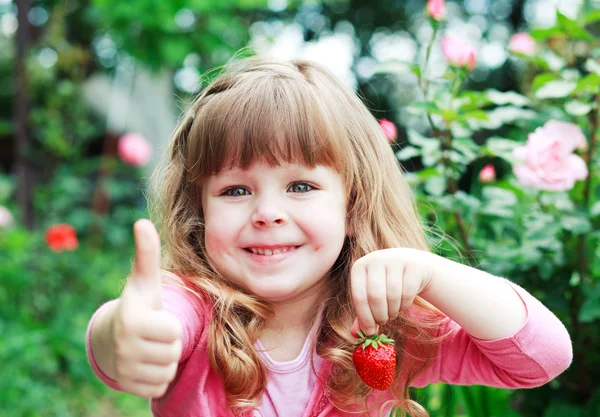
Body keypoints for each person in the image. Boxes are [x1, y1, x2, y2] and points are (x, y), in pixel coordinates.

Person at [86, 57, 573, 417]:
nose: (268, 213)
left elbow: (542, 359)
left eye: (301, 186)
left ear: (353, 204)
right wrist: (124, 334)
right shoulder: (192, 308)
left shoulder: (386, 325)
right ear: (199, 212)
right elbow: (138, 331)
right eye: (235, 190)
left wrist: (432, 273)